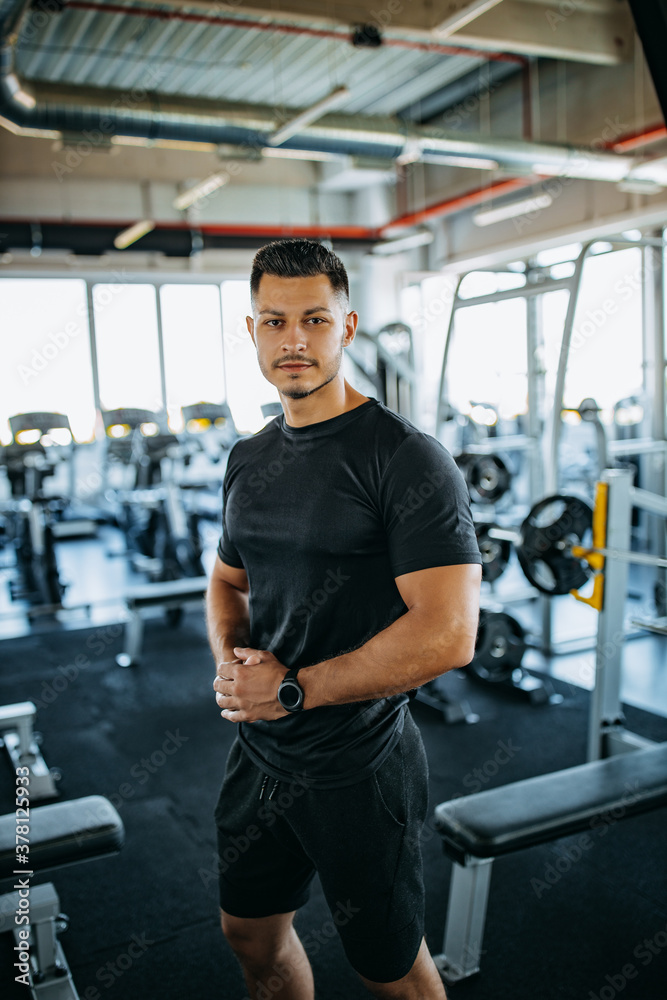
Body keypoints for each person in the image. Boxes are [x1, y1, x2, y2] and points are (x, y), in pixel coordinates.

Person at [206, 238, 482, 1000]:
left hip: (358, 765)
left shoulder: (405, 458)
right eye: (273, 321)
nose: (293, 339)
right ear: (252, 330)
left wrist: (292, 689)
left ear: (347, 327)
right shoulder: (247, 456)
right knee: (249, 935)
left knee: (391, 974)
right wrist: (234, 665)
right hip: (258, 755)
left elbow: (449, 634)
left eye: (314, 319)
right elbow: (227, 582)